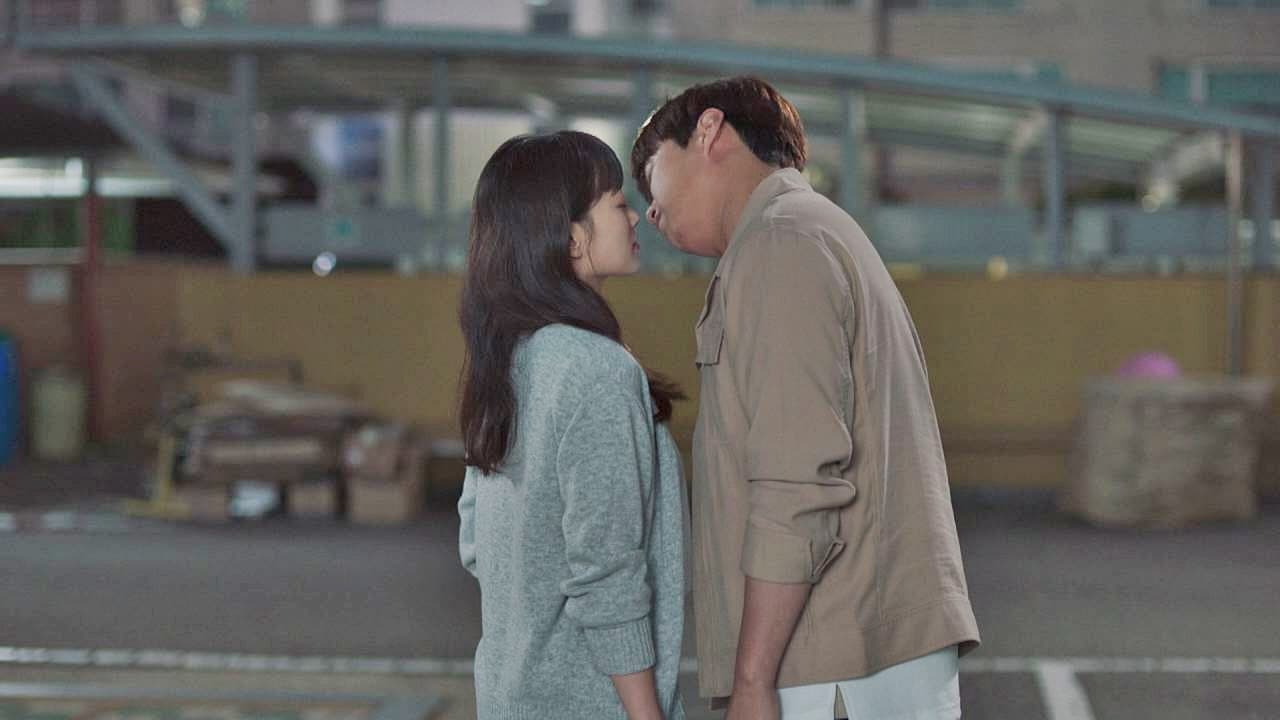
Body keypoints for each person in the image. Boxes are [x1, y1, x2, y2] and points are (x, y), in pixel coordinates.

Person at [630, 76, 980, 720]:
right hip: (856, 653)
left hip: (829, 664)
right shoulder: (809, 231)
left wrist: (752, 680)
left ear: (709, 132)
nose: (649, 212)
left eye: (652, 177)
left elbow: (796, 482)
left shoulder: (780, 243)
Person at [457, 130, 688, 720]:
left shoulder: (509, 359)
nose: (634, 216)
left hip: (509, 696)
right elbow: (608, 576)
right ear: (571, 238)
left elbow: (475, 541)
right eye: (617, 203)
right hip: (589, 704)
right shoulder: (595, 369)